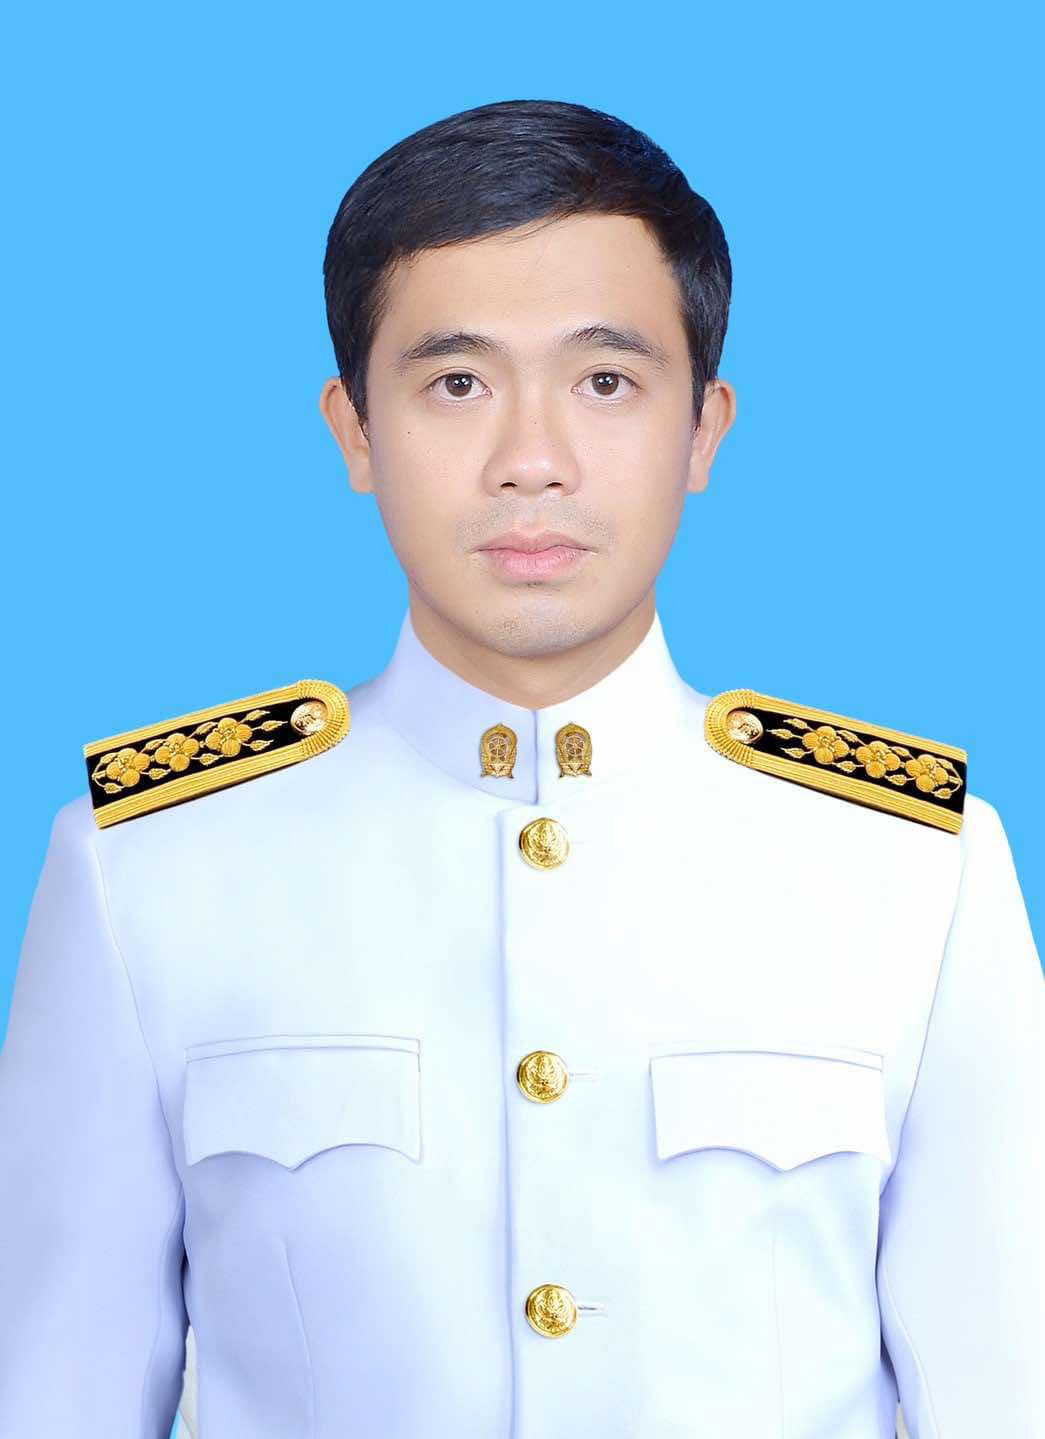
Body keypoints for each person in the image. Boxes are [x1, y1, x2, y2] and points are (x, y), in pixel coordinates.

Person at [0, 99, 1041, 1439]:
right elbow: (55, 1399)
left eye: (604, 382)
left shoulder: (912, 872)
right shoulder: (146, 869)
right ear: (354, 429)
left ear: (703, 428)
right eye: (457, 385)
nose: (530, 463)